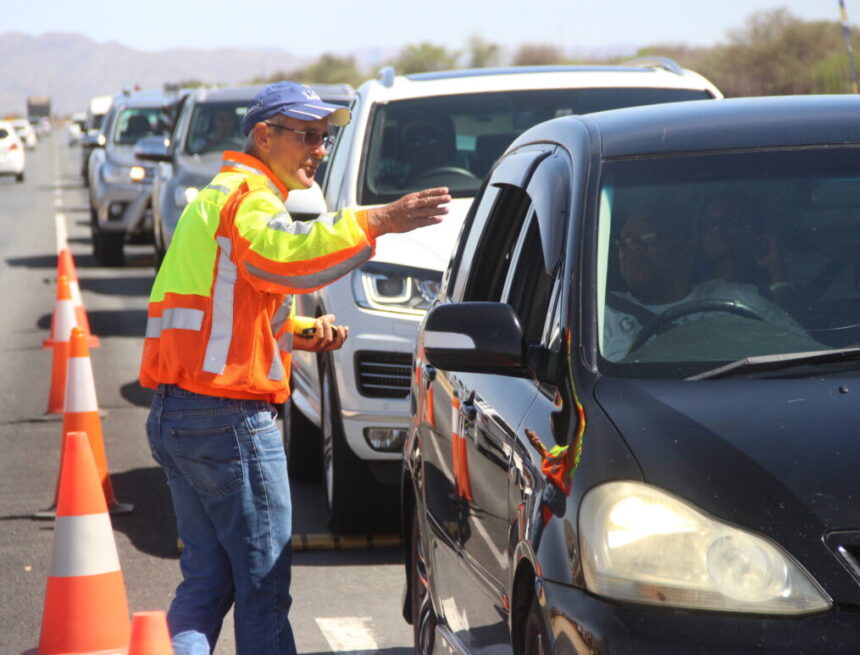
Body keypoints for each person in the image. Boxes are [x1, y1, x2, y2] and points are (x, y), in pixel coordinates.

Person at [139, 81, 450, 655]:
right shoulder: (251, 199)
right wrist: (378, 219)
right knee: (263, 590)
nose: (320, 149)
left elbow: (218, 316)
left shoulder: (212, 198)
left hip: (177, 414)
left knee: (206, 582)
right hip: (227, 419)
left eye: (325, 137)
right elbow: (289, 258)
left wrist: (302, 333)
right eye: (308, 135)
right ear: (265, 136)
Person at [602, 199, 801, 361]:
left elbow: (798, 347)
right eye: (624, 242)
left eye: (645, 238)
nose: (631, 250)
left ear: (685, 247)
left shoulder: (738, 299)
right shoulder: (603, 317)